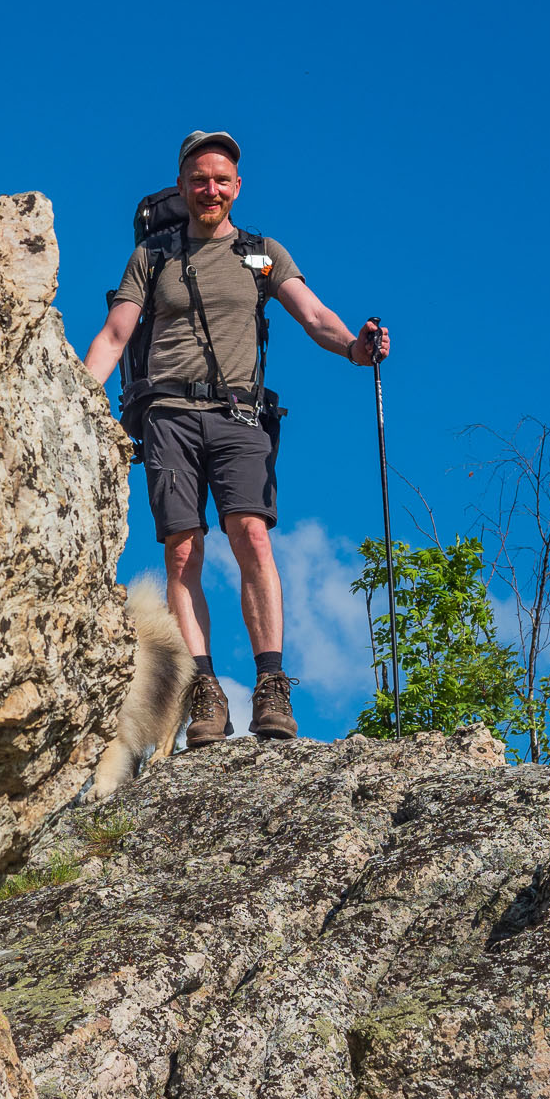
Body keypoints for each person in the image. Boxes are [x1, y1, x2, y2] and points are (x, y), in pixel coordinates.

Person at [83, 130, 391, 742]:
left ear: (237, 187)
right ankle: (206, 693)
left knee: (252, 535)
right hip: (167, 413)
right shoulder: (154, 256)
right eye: (200, 179)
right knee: (181, 549)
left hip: (240, 415)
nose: (211, 189)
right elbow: (116, 335)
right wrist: (81, 398)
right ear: (182, 186)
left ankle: (271, 688)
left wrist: (356, 348)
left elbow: (313, 314)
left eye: (222, 180)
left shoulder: (262, 253)